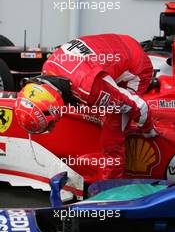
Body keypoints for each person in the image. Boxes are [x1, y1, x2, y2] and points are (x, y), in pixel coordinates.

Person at [14, 33, 156, 182]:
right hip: (116, 44)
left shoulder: (90, 90)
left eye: (51, 123)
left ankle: (110, 189)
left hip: (136, 67)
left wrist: (148, 129)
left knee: (112, 139)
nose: (53, 125)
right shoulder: (48, 68)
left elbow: (139, 106)